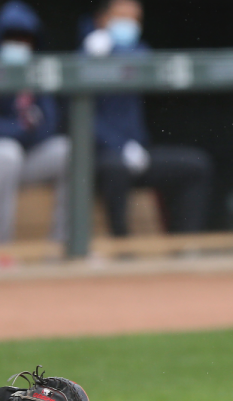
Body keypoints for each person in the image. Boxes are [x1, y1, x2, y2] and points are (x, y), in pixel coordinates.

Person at [82, 0, 213, 237]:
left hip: (137, 153)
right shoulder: (88, 52)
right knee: (115, 168)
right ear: (101, 20)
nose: (129, 25)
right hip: (98, 157)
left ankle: (185, 246)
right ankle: (121, 247)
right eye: (121, 18)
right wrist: (88, 56)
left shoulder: (134, 50)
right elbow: (82, 118)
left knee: (196, 166)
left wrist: (112, 51)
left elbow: (144, 59)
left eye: (134, 20)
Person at [0, 0, 69, 245]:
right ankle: (2, 250)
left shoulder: (37, 71)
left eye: (24, 38)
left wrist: (29, 129)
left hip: (29, 158)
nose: (19, 44)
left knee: (67, 151)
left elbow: (50, 125)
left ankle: (62, 246)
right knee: (7, 153)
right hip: (5, 159)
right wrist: (22, 127)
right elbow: (24, 128)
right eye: (11, 37)